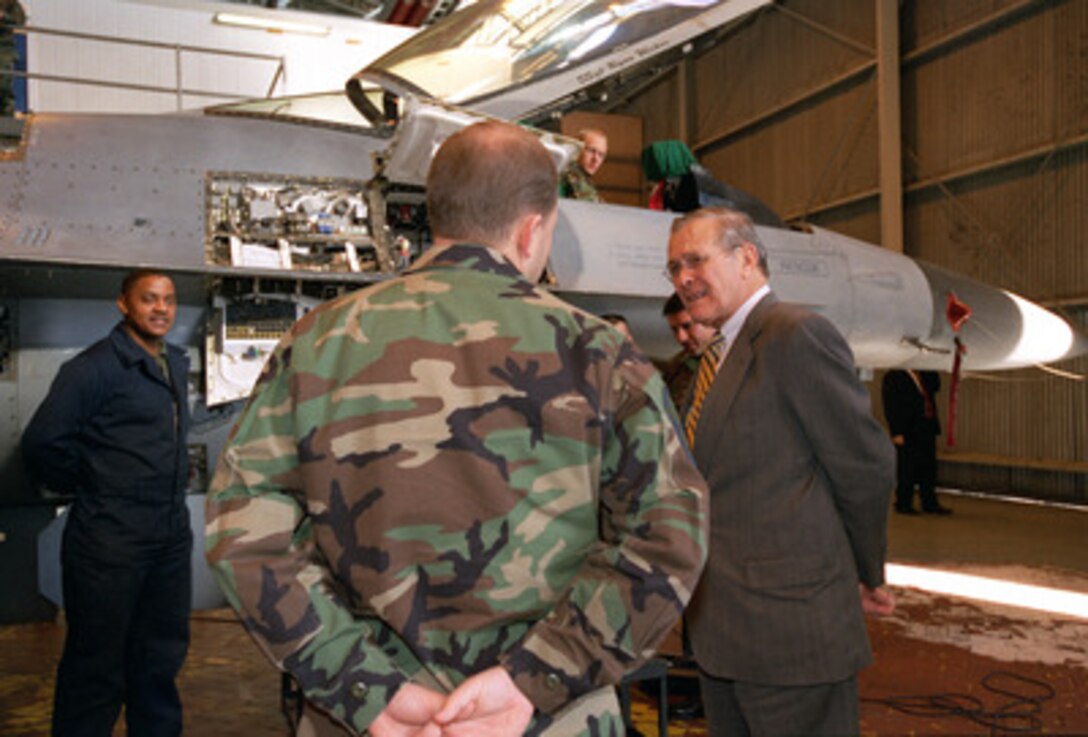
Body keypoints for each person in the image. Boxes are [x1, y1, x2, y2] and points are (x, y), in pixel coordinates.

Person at [205, 120, 708, 737]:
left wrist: (361, 683)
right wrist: (537, 675)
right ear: (532, 230)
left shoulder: (316, 343)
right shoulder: (598, 353)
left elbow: (244, 526)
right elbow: (669, 532)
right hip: (550, 721)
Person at [665, 206, 896, 736]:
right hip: (723, 633)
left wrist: (865, 570)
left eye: (696, 260)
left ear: (747, 257)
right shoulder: (716, 355)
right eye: (674, 267)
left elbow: (865, 465)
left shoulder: (796, 335)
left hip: (791, 636)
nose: (683, 278)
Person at [22, 269, 192, 737]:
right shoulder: (92, 369)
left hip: (169, 536)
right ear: (123, 304)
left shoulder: (174, 362)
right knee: (95, 667)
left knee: (159, 660)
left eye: (169, 300)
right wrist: (94, 482)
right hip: (109, 540)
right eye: (149, 299)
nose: (161, 309)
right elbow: (41, 443)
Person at [882, 369, 950, 515]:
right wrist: (896, 431)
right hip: (907, 430)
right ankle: (903, 503)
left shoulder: (924, 373)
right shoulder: (894, 376)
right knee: (907, 468)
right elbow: (891, 405)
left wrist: (929, 367)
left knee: (929, 467)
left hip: (926, 426)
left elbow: (936, 386)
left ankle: (929, 503)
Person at [660, 292, 719, 412]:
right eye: (674, 330)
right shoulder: (677, 366)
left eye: (687, 326)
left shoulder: (736, 360)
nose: (681, 337)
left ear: (710, 320)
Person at [559, 128, 607, 202]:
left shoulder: (584, 179)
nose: (596, 159)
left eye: (601, 155)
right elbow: (592, 207)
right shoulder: (570, 170)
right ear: (576, 149)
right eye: (591, 151)